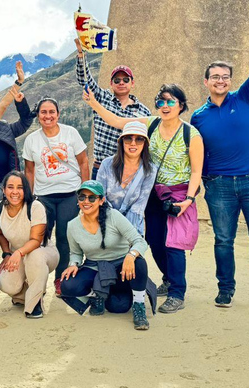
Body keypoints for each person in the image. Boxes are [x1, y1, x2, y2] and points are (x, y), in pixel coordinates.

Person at [83, 84, 203, 314]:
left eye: (170, 101)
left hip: (178, 194)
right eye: (161, 101)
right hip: (153, 192)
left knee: (174, 243)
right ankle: (168, 279)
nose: (165, 106)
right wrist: (94, 104)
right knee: (155, 240)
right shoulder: (151, 123)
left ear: (181, 105)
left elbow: (196, 171)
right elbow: (118, 122)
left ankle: (178, 292)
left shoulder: (191, 134)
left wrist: (188, 199)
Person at [191, 12, 249, 312]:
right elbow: (196, 153)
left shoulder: (245, 97)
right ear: (206, 81)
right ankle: (225, 290)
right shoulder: (198, 117)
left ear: (230, 81)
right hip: (219, 187)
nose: (221, 80)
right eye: (215, 76)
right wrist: (203, 181)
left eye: (225, 76)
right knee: (223, 241)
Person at [60, 181, 151, 330]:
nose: (86, 201)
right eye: (82, 197)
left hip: (121, 268)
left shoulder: (113, 216)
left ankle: (138, 305)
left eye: (91, 198)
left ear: (101, 200)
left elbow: (139, 241)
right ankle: (97, 295)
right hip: (95, 268)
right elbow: (76, 253)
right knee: (68, 285)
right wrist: (73, 264)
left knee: (138, 264)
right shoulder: (72, 225)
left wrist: (131, 255)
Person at [23, 97, 89, 295]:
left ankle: (61, 279)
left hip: (70, 193)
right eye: (44, 112)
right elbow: (29, 171)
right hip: (43, 196)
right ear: (38, 115)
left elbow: (83, 162)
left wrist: (84, 192)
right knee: (40, 238)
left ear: (58, 114)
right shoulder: (31, 139)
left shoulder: (71, 133)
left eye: (52, 112)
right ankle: (37, 280)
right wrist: (30, 198)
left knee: (64, 238)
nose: (48, 116)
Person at [75, 39, 151, 179]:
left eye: (125, 80)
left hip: (129, 170)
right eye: (117, 80)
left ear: (132, 83)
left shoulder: (144, 112)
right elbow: (84, 80)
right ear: (111, 83)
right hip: (101, 168)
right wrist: (81, 55)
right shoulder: (101, 98)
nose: (121, 82)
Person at [0, 171, 59, 318]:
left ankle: (34, 303)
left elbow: (36, 241)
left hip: (43, 252)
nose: (15, 192)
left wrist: (17, 253)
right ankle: (26, 292)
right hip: (17, 255)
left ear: (26, 190)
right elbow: (0, 233)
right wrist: (7, 253)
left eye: (20, 187)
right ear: (3, 190)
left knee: (34, 256)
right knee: (6, 283)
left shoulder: (35, 207)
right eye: (10, 187)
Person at [95, 121, 157, 235]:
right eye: (128, 138)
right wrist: (112, 222)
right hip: (105, 223)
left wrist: (125, 230)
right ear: (122, 142)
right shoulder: (107, 164)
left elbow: (139, 205)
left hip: (131, 227)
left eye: (139, 139)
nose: (133, 143)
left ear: (145, 143)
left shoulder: (150, 170)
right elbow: (99, 196)